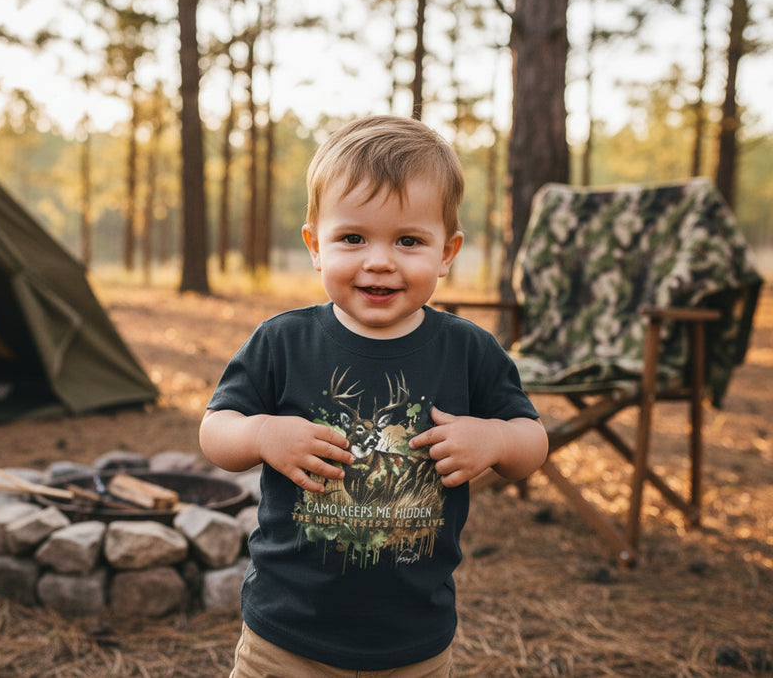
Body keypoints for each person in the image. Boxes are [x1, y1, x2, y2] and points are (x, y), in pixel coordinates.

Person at [199, 115, 548, 677]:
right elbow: (215, 431)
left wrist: (497, 437)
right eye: (353, 238)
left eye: (409, 240)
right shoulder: (283, 341)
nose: (379, 260)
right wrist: (262, 432)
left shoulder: (469, 350)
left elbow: (533, 443)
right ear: (316, 245)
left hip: (414, 642)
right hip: (284, 637)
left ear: (446, 252)